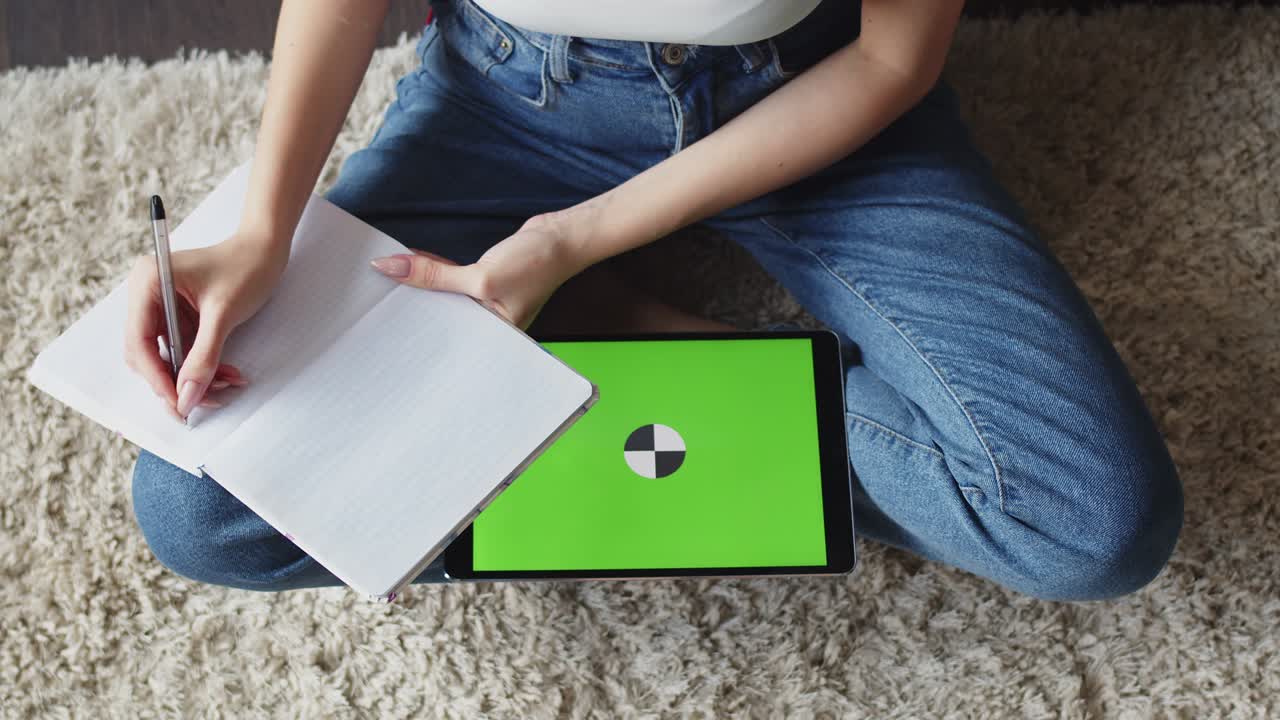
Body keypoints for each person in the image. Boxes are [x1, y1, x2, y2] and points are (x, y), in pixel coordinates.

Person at [126, 0, 1183, 601]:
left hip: (814, 106)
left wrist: (570, 241)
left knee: (1085, 520)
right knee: (202, 514)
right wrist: (265, 225)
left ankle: (590, 325)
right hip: (509, 102)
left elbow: (890, 56)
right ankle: (588, 326)